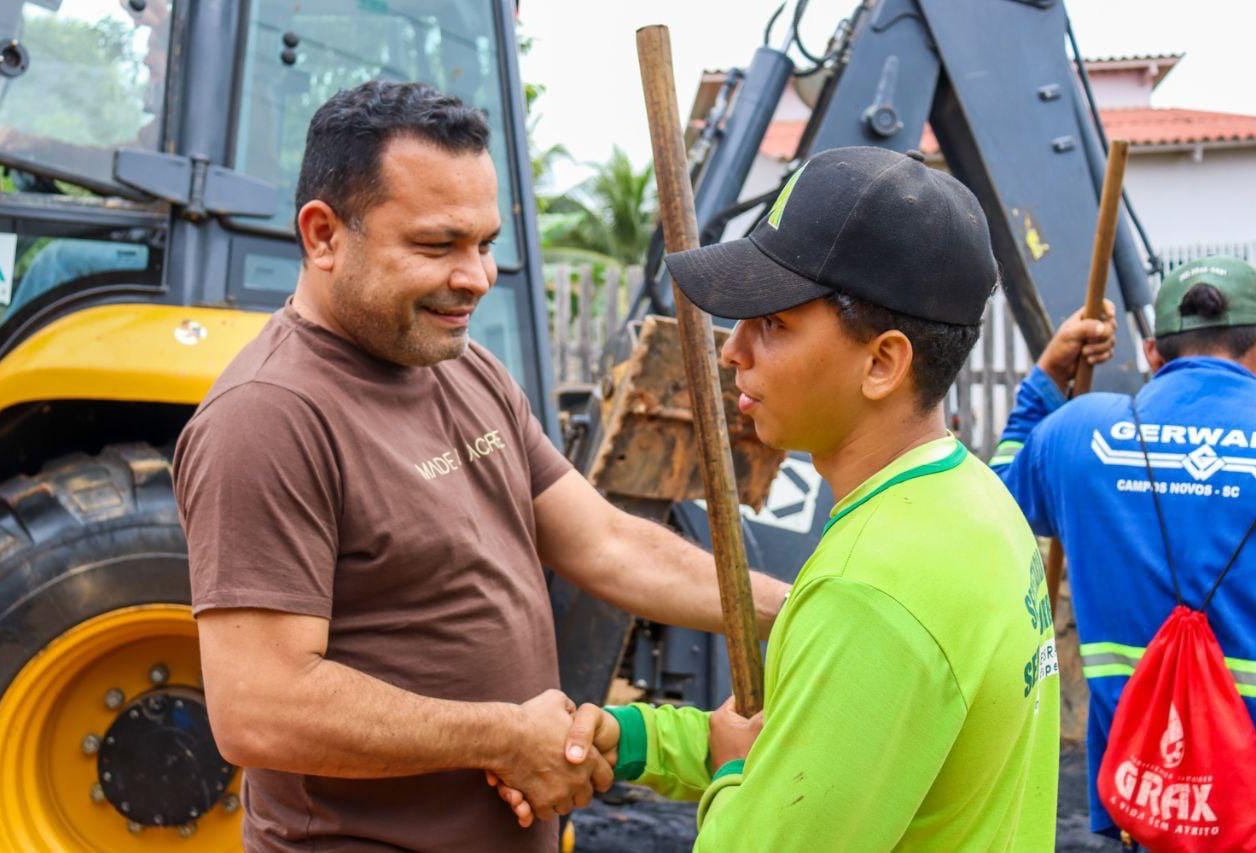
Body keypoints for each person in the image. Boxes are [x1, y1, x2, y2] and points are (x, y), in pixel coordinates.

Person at [172, 80, 789, 852]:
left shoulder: (464, 369)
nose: (477, 277)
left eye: (486, 243)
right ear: (324, 235)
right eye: (438, 245)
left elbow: (605, 541)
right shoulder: (269, 417)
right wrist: (500, 735)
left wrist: (792, 606)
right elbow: (260, 704)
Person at [500, 147, 1061, 849]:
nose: (733, 351)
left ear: (882, 362)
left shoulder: (872, 591)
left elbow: (760, 774)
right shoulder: (973, 502)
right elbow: (798, 749)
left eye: (774, 324)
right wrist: (638, 737)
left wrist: (734, 768)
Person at [990, 254, 1256, 841]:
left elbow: (995, 499)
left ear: (1153, 355)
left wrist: (1046, 378)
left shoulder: (1078, 432)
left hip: (1143, 805)